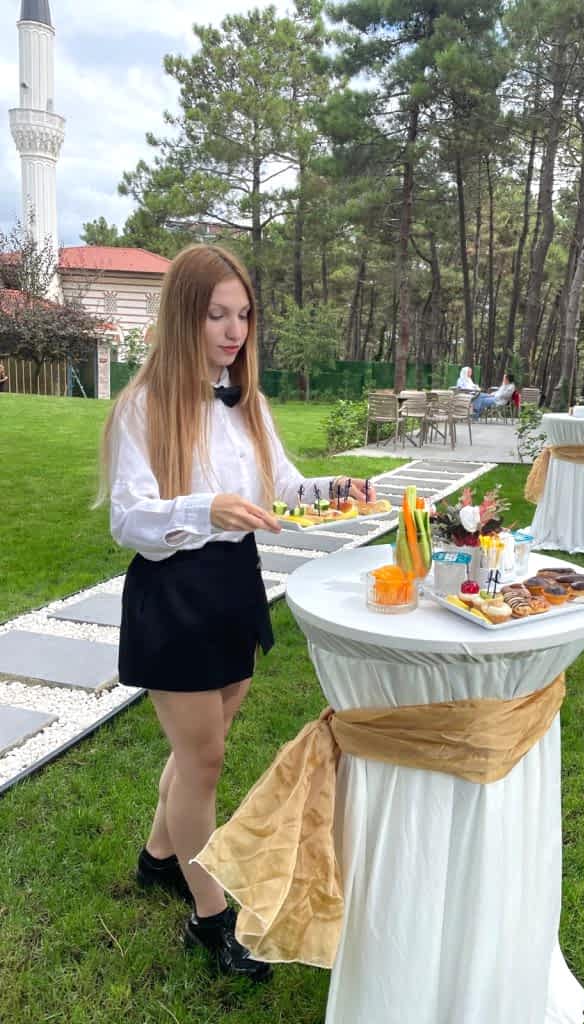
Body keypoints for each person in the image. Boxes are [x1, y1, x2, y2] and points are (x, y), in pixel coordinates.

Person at [98, 244, 375, 983]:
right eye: (217, 314)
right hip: (174, 594)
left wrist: (332, 488)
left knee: (202, 748)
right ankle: (211, 916)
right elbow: (128, 520)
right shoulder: (141, 408)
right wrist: (205, 508)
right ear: (184, 316)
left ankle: (160, 857)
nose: (234, 331)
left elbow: (281, 485)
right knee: (205, 760)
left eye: (244, 315)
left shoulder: (246, 400)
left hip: (234, 587)